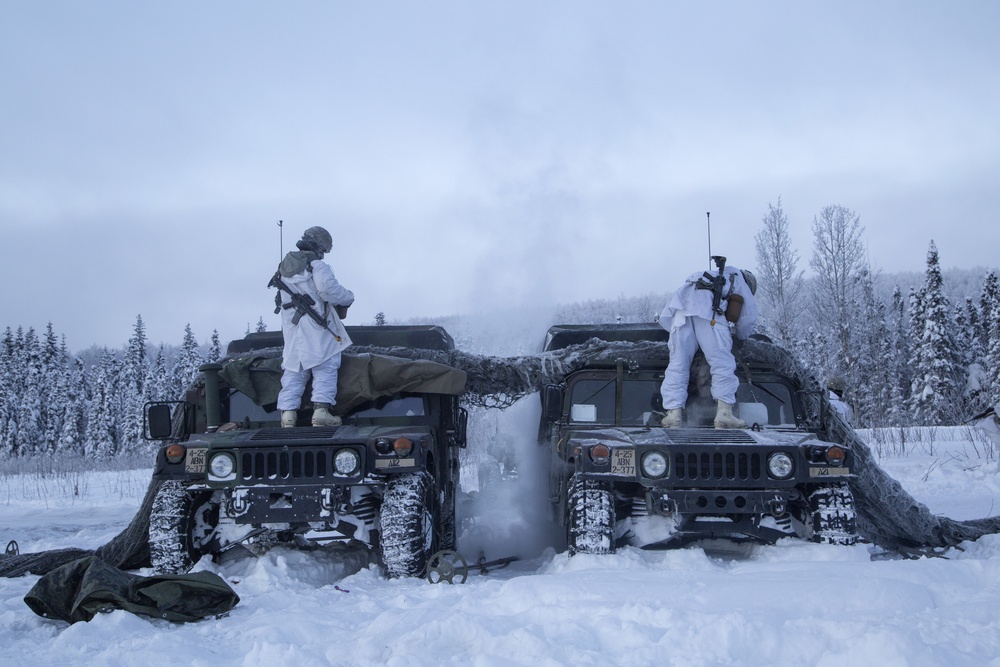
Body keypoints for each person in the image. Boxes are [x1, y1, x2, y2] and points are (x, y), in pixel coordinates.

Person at [658, 259, 758, 429]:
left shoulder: (708, 277)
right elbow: (748, 318)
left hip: (681, 313)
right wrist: (740, 335)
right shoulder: (739, 279)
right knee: (722, 363)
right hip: (708, 313)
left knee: (678, 364)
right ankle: (724, 414)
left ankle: (673, 415)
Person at [273, 226, 355, 427]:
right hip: (317, 327)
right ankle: (321, 411)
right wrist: (349, 296)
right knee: (326, 365)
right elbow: (329, 290)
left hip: (293, 330)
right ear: (319, 246)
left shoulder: (283, 269)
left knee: (294, 370)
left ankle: (288, 415)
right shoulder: (317, 266)